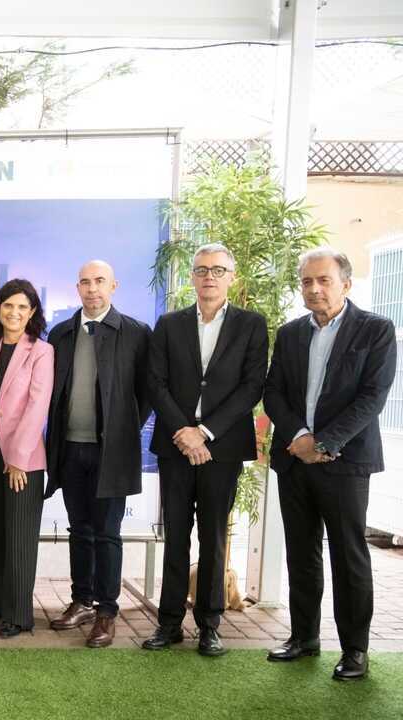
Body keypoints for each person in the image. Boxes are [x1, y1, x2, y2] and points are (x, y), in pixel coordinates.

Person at [263, 248, 397, 681]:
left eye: (324, 280)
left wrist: (323, 442)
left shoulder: (375, 329)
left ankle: (355, 649)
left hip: (345, 462)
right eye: (307, 281)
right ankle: (303, 637)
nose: (314, 288)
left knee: (348, 556)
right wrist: (300, 438)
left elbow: (372, 397)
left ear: (346, 284)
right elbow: (273, 392)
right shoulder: (290, 334)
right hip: (295, 461)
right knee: (302, 553)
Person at [142, 243, 267, 657]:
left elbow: (252, 386)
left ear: (232, 276)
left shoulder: (251, 325)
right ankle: (169, 623)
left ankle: (210, 624)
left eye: (217, 270)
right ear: (192, 277)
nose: (209, 276)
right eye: (201, 270)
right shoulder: (169, 324)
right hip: (176, 445)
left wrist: (205, 432)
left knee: (214, 537)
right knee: (176, 536)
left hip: (222, 448)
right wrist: (184, 431)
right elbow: (155, 382)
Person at [45, 261, 151, 648]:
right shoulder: (61, 333)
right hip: (70, 448)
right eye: (86, 282)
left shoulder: (136, 333)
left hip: (112, 452)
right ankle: (82, 601)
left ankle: (107, 610)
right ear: (77, 288)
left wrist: (122, 429)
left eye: (100, 281)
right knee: (79, 529)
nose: (93, 289)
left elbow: (146, 393)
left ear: (113, 286)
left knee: (107, 533)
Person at [0, 279, 54, 638]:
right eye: (8, 305)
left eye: (22, 307)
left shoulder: (42, 351)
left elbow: (37, 406)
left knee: (19, 538)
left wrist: (18, 459)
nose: (14, 312)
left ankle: (18, 615)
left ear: (32, 312)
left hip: (23, 460)